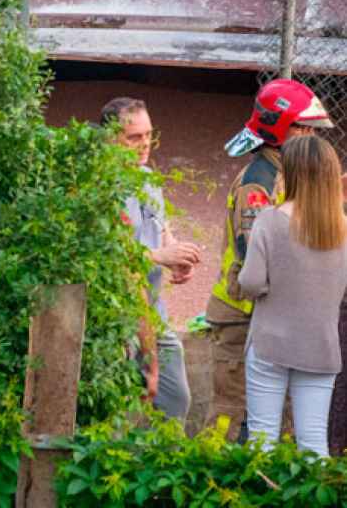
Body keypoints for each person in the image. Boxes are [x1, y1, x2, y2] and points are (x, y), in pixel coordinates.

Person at [206, 79, 334, 440]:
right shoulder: (258, 183)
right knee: (230, 417)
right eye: (303, 127)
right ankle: (211, 488)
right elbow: (256, 257)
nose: (311, 135)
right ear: (278, 128)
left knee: (279, 423)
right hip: (241, 315)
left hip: (271, 314)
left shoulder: (285, 175)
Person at [237, 135, 347, 456]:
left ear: (291, 173)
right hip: (321, 347)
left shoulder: (269, 221)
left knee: (263, 441)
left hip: (271, 343)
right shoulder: (343, 228)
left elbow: (252, 282)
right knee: (313, 443)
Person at [102, 97, 202, 422]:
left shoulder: (147, 178)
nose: (145, 143)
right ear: (110, 139)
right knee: (121, 408)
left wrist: (175, 254)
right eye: (134, 137)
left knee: (175, 400)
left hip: (154, 313)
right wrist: (160, 255)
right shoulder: (101, 186)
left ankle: (161, 467)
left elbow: (161, 227)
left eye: (148, 134)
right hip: (118, 318)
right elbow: (110, 256)